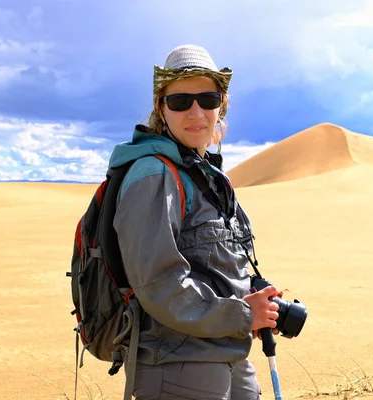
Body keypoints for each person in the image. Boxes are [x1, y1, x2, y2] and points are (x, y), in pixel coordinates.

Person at [108, 44, 282, 399]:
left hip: (227, 355)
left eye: (208, 99)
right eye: (179, 101)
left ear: (222, 105)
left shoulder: (205, 175)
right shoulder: (154, 174)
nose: (196, 112)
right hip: (177, 366)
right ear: (161, 108)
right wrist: (242, 315)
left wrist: (253, 302)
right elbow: (159, 283)